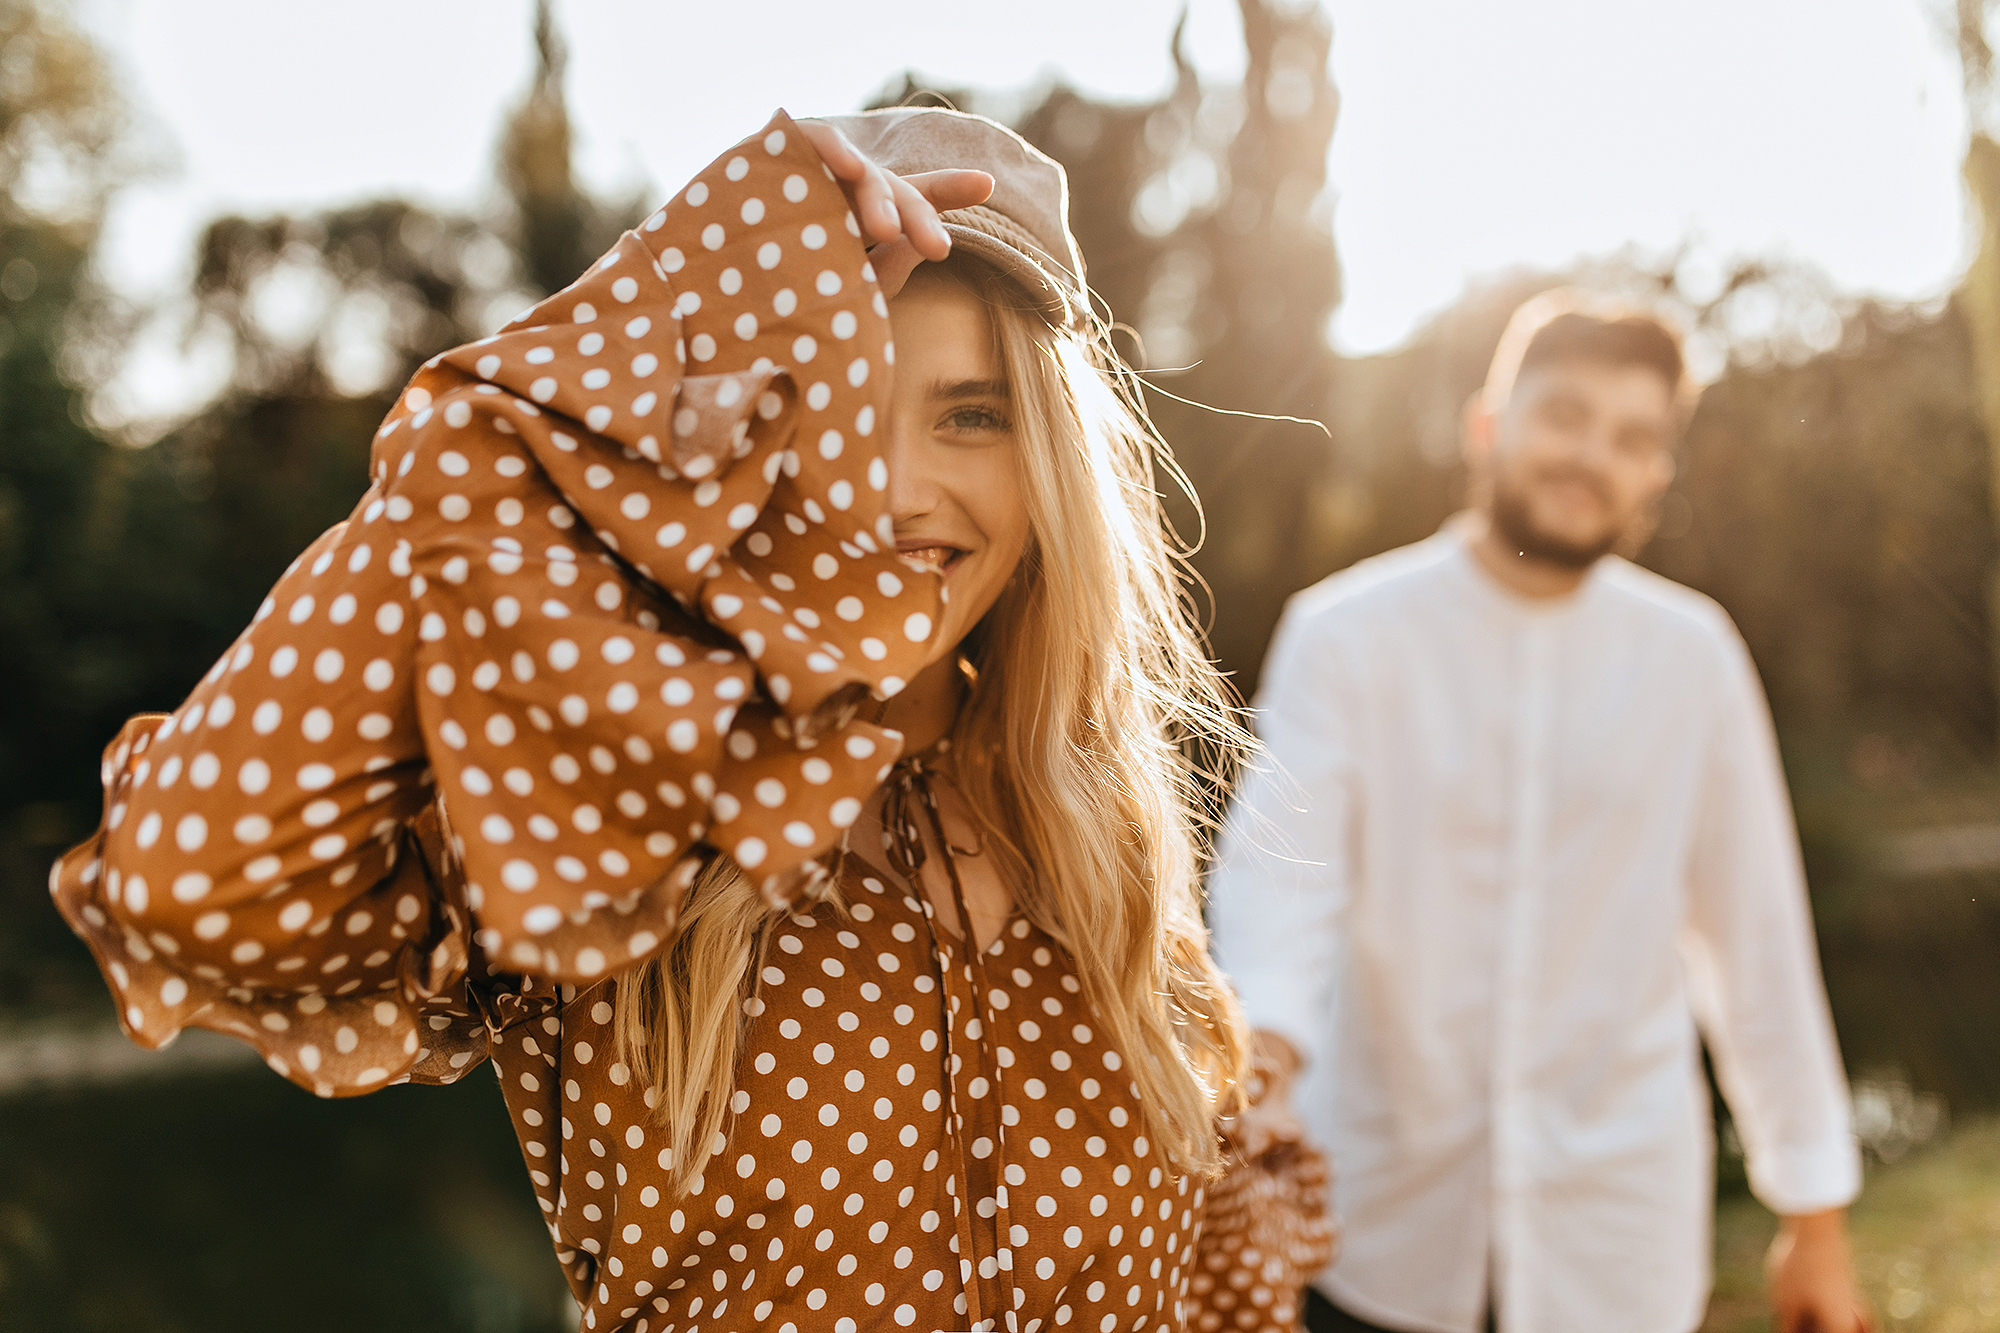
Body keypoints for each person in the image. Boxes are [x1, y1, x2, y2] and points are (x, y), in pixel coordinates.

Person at [52, 106, 1326, 1332]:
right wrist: (621, 337)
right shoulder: (592, 788)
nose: (892, 488)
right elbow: (187, 875)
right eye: (830, 408)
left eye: (970, 413)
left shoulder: (1096, 823)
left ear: (1044, 458)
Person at [1209, 294, 1869, 1333]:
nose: (1589, 455)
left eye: (1631, 438)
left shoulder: (1693, 659)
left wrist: (1812, 1213)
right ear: (1487, 424)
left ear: (1656, 472)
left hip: (1616, 1245)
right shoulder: (1343, 634)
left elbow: (1754, 944)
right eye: (1563, 414)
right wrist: (1264, 1068)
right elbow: (1277, 885)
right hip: (1376, 1229)